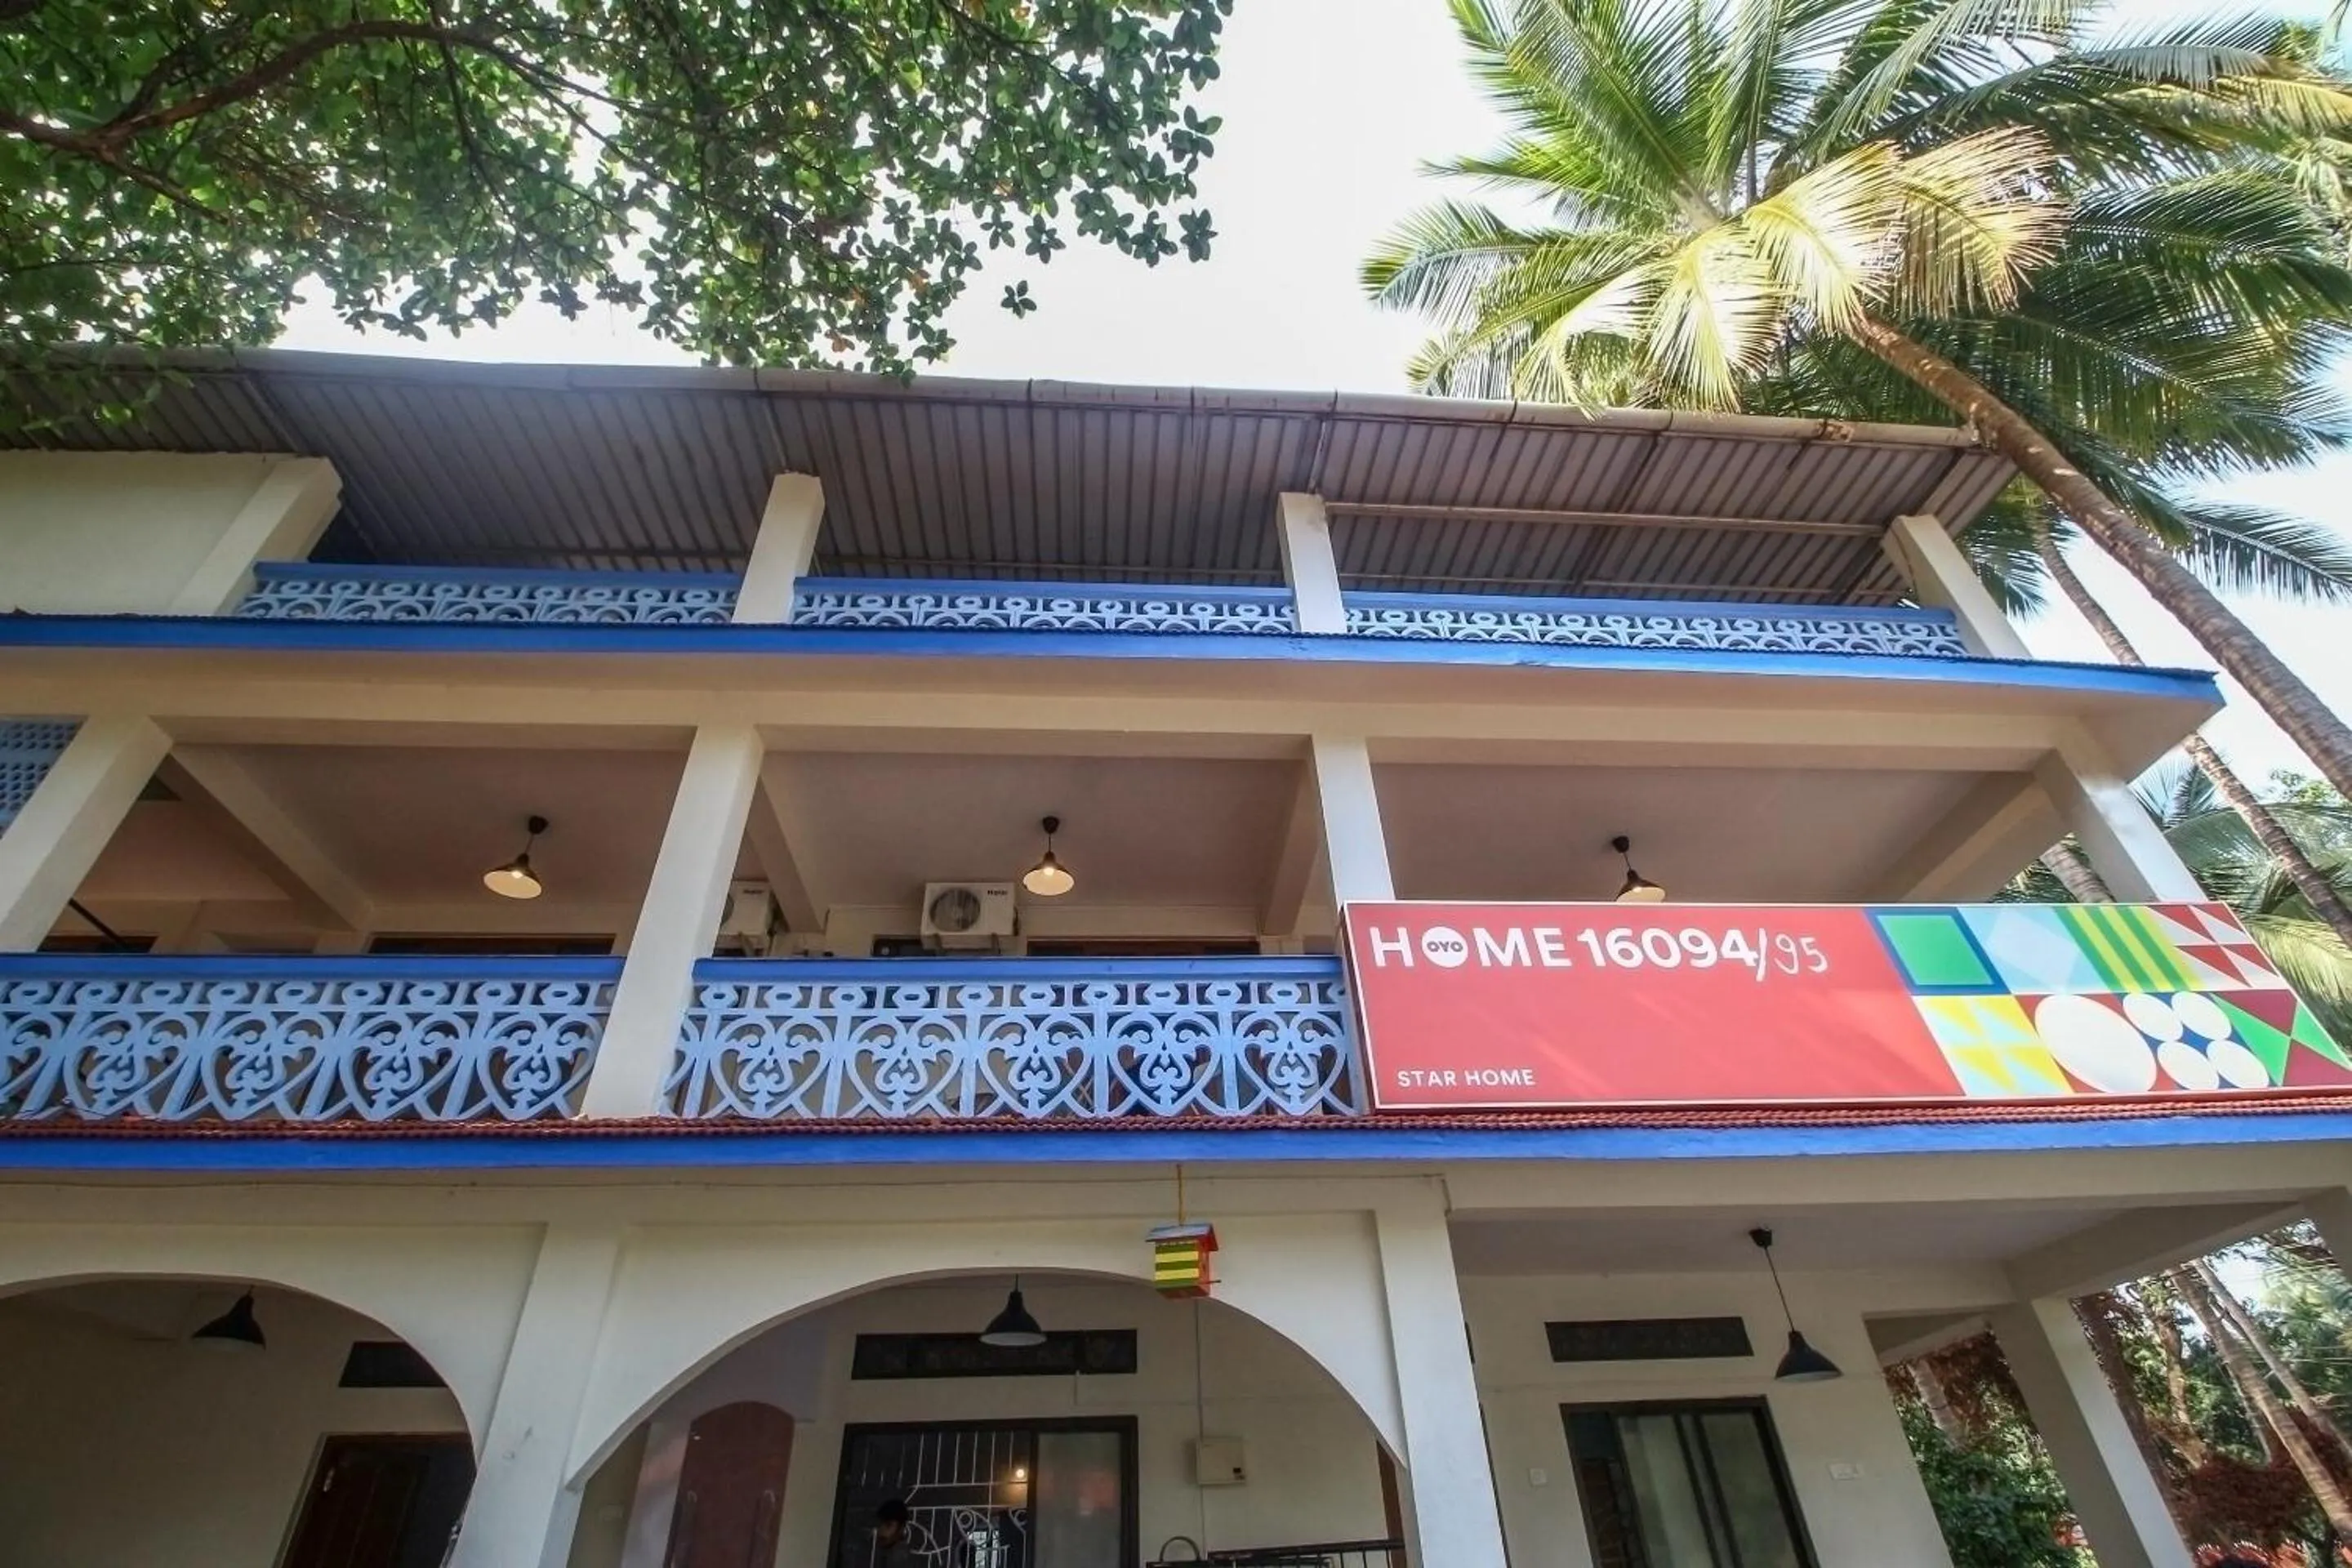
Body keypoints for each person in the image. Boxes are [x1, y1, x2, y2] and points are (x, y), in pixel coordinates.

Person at [874, 1499, 918, 1568]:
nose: (882, 1531)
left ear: (901, 1528)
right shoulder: (889, 1554)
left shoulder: (899, 1557)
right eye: (879, 1525)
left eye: (889, 1525)